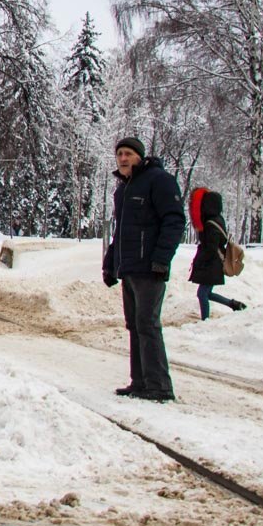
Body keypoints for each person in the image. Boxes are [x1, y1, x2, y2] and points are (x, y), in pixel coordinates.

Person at [103, 137, 186, 403]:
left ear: (140, 156)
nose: (123, 159)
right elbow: (120, 233)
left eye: (128, 154)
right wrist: (110, 265)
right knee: (135, 325)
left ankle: (160, 385)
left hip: (150, 268)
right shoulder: (123, 190)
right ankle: (140, 382)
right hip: (130, 268)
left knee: (148, 324)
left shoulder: (158, 180)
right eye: (119, 155)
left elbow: (173, 221)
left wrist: (162, 259)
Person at [188, 187, 247, 320]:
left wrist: (202, 262)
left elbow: (211, 247)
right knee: (206, 293)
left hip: (212, 264)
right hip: (214, 263)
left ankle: (206, 320)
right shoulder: (217, 219)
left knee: (202, 294)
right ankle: (234, 305)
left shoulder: (210, 224)